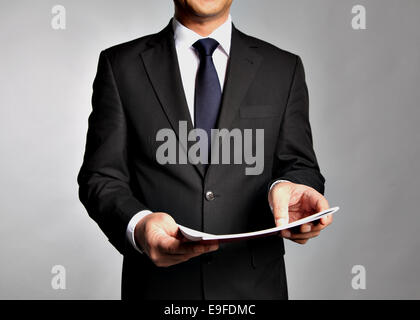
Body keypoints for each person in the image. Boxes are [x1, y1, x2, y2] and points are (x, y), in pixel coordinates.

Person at [78, 0, 333, 300]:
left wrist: (289, 189)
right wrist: (139, 225)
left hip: (255, 290)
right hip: (158, 290)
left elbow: (300, 166)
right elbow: (101, 178)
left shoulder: (283, 68)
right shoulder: (120, 66)